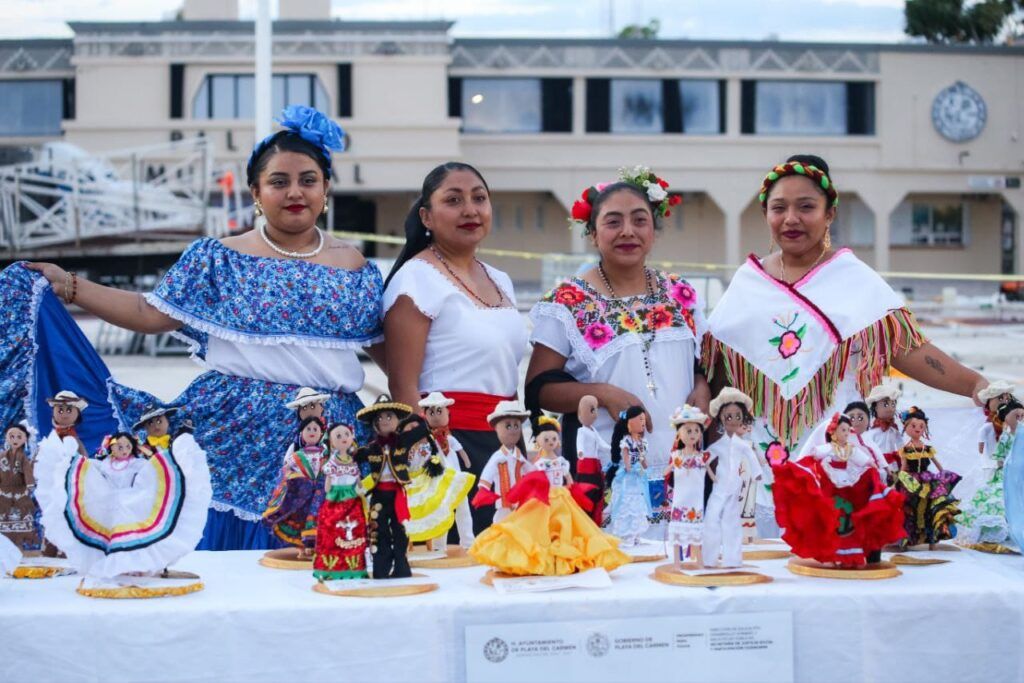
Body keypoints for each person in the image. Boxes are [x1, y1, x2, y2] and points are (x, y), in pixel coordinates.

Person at [9, 106, 384, 550]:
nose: (294, 192)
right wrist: (69, 286)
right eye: (278, 182)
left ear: (326, 190)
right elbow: (150, 313)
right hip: (230, 430)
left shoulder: (356, 265)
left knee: (325, 558)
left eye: (308, 180)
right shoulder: (218, 257)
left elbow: (389, 349)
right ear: (256, 193)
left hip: (328, 436)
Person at [703, 154, 990, 456]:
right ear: (766, 214)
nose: (791, 218)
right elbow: (716, 371)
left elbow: (909, 351)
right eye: (779, 208)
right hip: (758, 457)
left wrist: (974, 385)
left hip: (839, 451)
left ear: (830, 214)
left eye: (806, 206)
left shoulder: (856, 279)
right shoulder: (749, 281)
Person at [526, 167, 709, 477]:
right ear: (594, 233)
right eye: (613, 222)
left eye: (640, 220)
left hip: (684, 465)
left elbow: (702, 365)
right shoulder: (568, 301)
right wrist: (603, 394)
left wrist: (703, 387)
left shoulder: (681, 292)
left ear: (653, 230)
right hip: (607, 465)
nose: (628, 231)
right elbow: (538, 389)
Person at [383, 162, 528, 535]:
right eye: (454, 200)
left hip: (507, 441)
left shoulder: (500, 279)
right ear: (426, 216)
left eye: (479, 198)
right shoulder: (415, 279)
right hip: (449, 444)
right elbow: (403, 385)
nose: (470, 210)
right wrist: (428, 462)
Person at [33, 429, 212, 579]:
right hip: (108, 501)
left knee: (132, 535)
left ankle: (135, 565)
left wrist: (171, 459)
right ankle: (113, 564)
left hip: (130, 501)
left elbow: (151, 469)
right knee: (110, 535)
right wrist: (71, 461)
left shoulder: (136, 463)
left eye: (127, 446)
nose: (124, 450)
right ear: (111, 447)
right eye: (120, 446)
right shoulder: (106, 464)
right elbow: (90, 468)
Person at [774, 413, 905, 567]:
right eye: (843, 430)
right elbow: (814, 454)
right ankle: (831, 552)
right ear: (833, 432)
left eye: (847, 430)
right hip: (831, 479)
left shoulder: (851, 449)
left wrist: (872, 464)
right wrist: (806, 466)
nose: (846, 433)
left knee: (851, 508)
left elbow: (862, 459)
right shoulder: (829, 448)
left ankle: (849, 550)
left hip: (848, 480)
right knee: (831, 513)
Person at [896, 407, 962, 549]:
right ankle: (908, 540)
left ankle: (932, 541)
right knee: (910, 509)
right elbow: (903, 466)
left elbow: (937, 463)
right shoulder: (905, 449)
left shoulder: (927, 448)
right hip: (913, 481)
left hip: (927, 479)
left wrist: (943, 474)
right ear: (906, 427)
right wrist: (901, 478)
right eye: (913, 426)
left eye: (921, 426)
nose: (918, 429)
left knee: (930, 509)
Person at [0, 423, 37, 550]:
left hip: (20, 491)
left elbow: (27, 471)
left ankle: (19, 547)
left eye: (19, 437)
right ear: (6, 437)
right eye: (12, 436)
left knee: (21, 518)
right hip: (3, 491)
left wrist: (30, 484)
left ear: (25, 439)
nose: (15, 440)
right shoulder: (1, 456)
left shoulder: (23, 458)